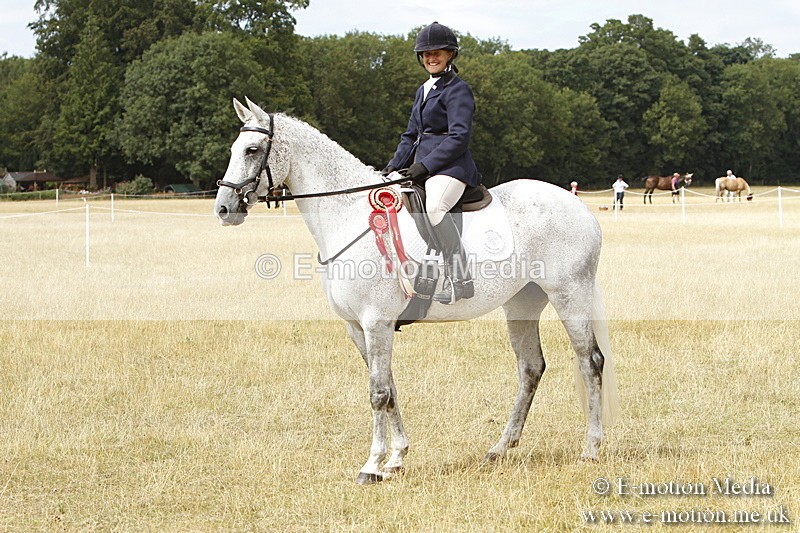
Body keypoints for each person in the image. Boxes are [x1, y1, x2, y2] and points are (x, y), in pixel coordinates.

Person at [381, 21, 479, 304]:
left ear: (450, 55)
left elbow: (459, 137)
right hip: (421, 167)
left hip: (451, 167)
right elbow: (411, 135)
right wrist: (391, 168)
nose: (431, 58)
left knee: (435, 207)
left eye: (437, 52)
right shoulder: (423, 90)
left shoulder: (458, 90)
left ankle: (460, 276)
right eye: (426, 54)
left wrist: (424, 166)